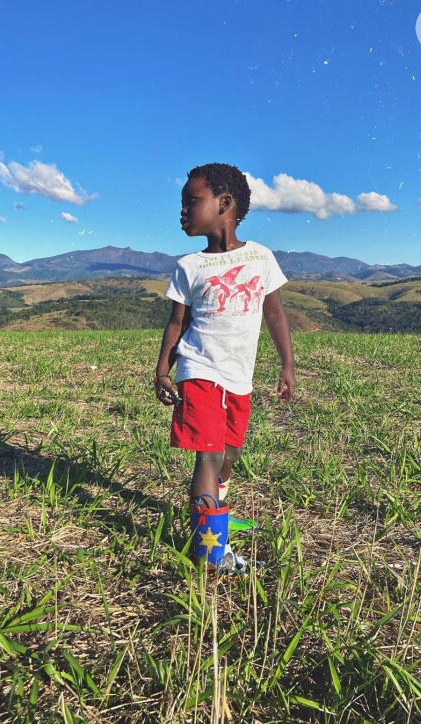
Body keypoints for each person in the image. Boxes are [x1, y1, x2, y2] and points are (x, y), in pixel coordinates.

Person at [154, 163, 295, 574]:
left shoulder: (260, 257)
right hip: (198, 369)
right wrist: (163, 367)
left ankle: (213, 514)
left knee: (231, 452)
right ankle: (210, 553)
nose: (183, 210)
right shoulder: (189, 265)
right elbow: (177, 322)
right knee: (210, 455)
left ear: (225, 204)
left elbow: (276, 314)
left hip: (240, 376)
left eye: (191, 201)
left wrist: (287, 365)